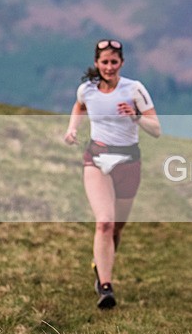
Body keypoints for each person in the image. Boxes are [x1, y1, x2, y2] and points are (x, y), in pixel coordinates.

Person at [64, 39, 162, 309]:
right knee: (104, 222)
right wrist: (73, 129)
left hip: (128, 161)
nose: (109, 67)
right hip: (96, 158)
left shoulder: (134, 89)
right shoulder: (87, 89)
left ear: (121, 63)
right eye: (104, 62)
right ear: (96, 63)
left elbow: (156, 129)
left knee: (117, 227)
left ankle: (101, 263)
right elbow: (79, 105)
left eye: (113, 62)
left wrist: (136, 117)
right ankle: (105, 287)